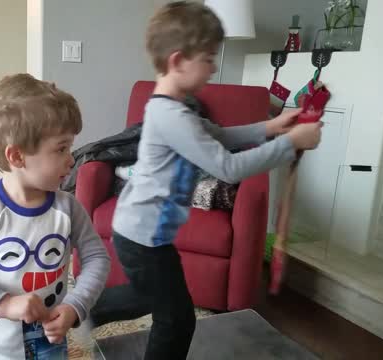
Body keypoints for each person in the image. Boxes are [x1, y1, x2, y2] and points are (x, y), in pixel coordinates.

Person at [107, 2, 323, 359]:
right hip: (141, 236)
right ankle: (76, 312)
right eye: (208, 58)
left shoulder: (176, 109)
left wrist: (271, 127)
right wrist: (289, 145)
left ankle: (76, 312)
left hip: (147, 234)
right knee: (175, 318)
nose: (214, 67)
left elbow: (219, 135)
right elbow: (228, 167)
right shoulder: (171, 115)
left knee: (156, 303)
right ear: (178, 61)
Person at [0, 73, 110, 359]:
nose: (72, 158)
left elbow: (97, 258)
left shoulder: (69, 208)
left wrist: (75, 305)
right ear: (17, 157)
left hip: (50, 341)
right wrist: (5, 304)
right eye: (61, 148)